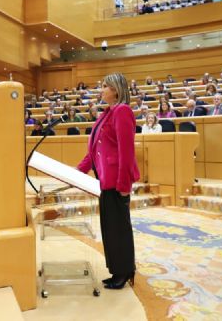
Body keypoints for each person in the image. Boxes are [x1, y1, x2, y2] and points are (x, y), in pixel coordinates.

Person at [77, 73, 139, 290]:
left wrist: (124, 184)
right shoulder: (106, 113)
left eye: (105, 86)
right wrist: (78, 171)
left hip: (116, 182)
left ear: (116, 89)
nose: (101, 89)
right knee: (110, 229)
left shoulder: (122, 111)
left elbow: (126, 151)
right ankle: (117, 270)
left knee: (119, 230)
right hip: (105, 180)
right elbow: (94, 149)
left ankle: (124, 272)